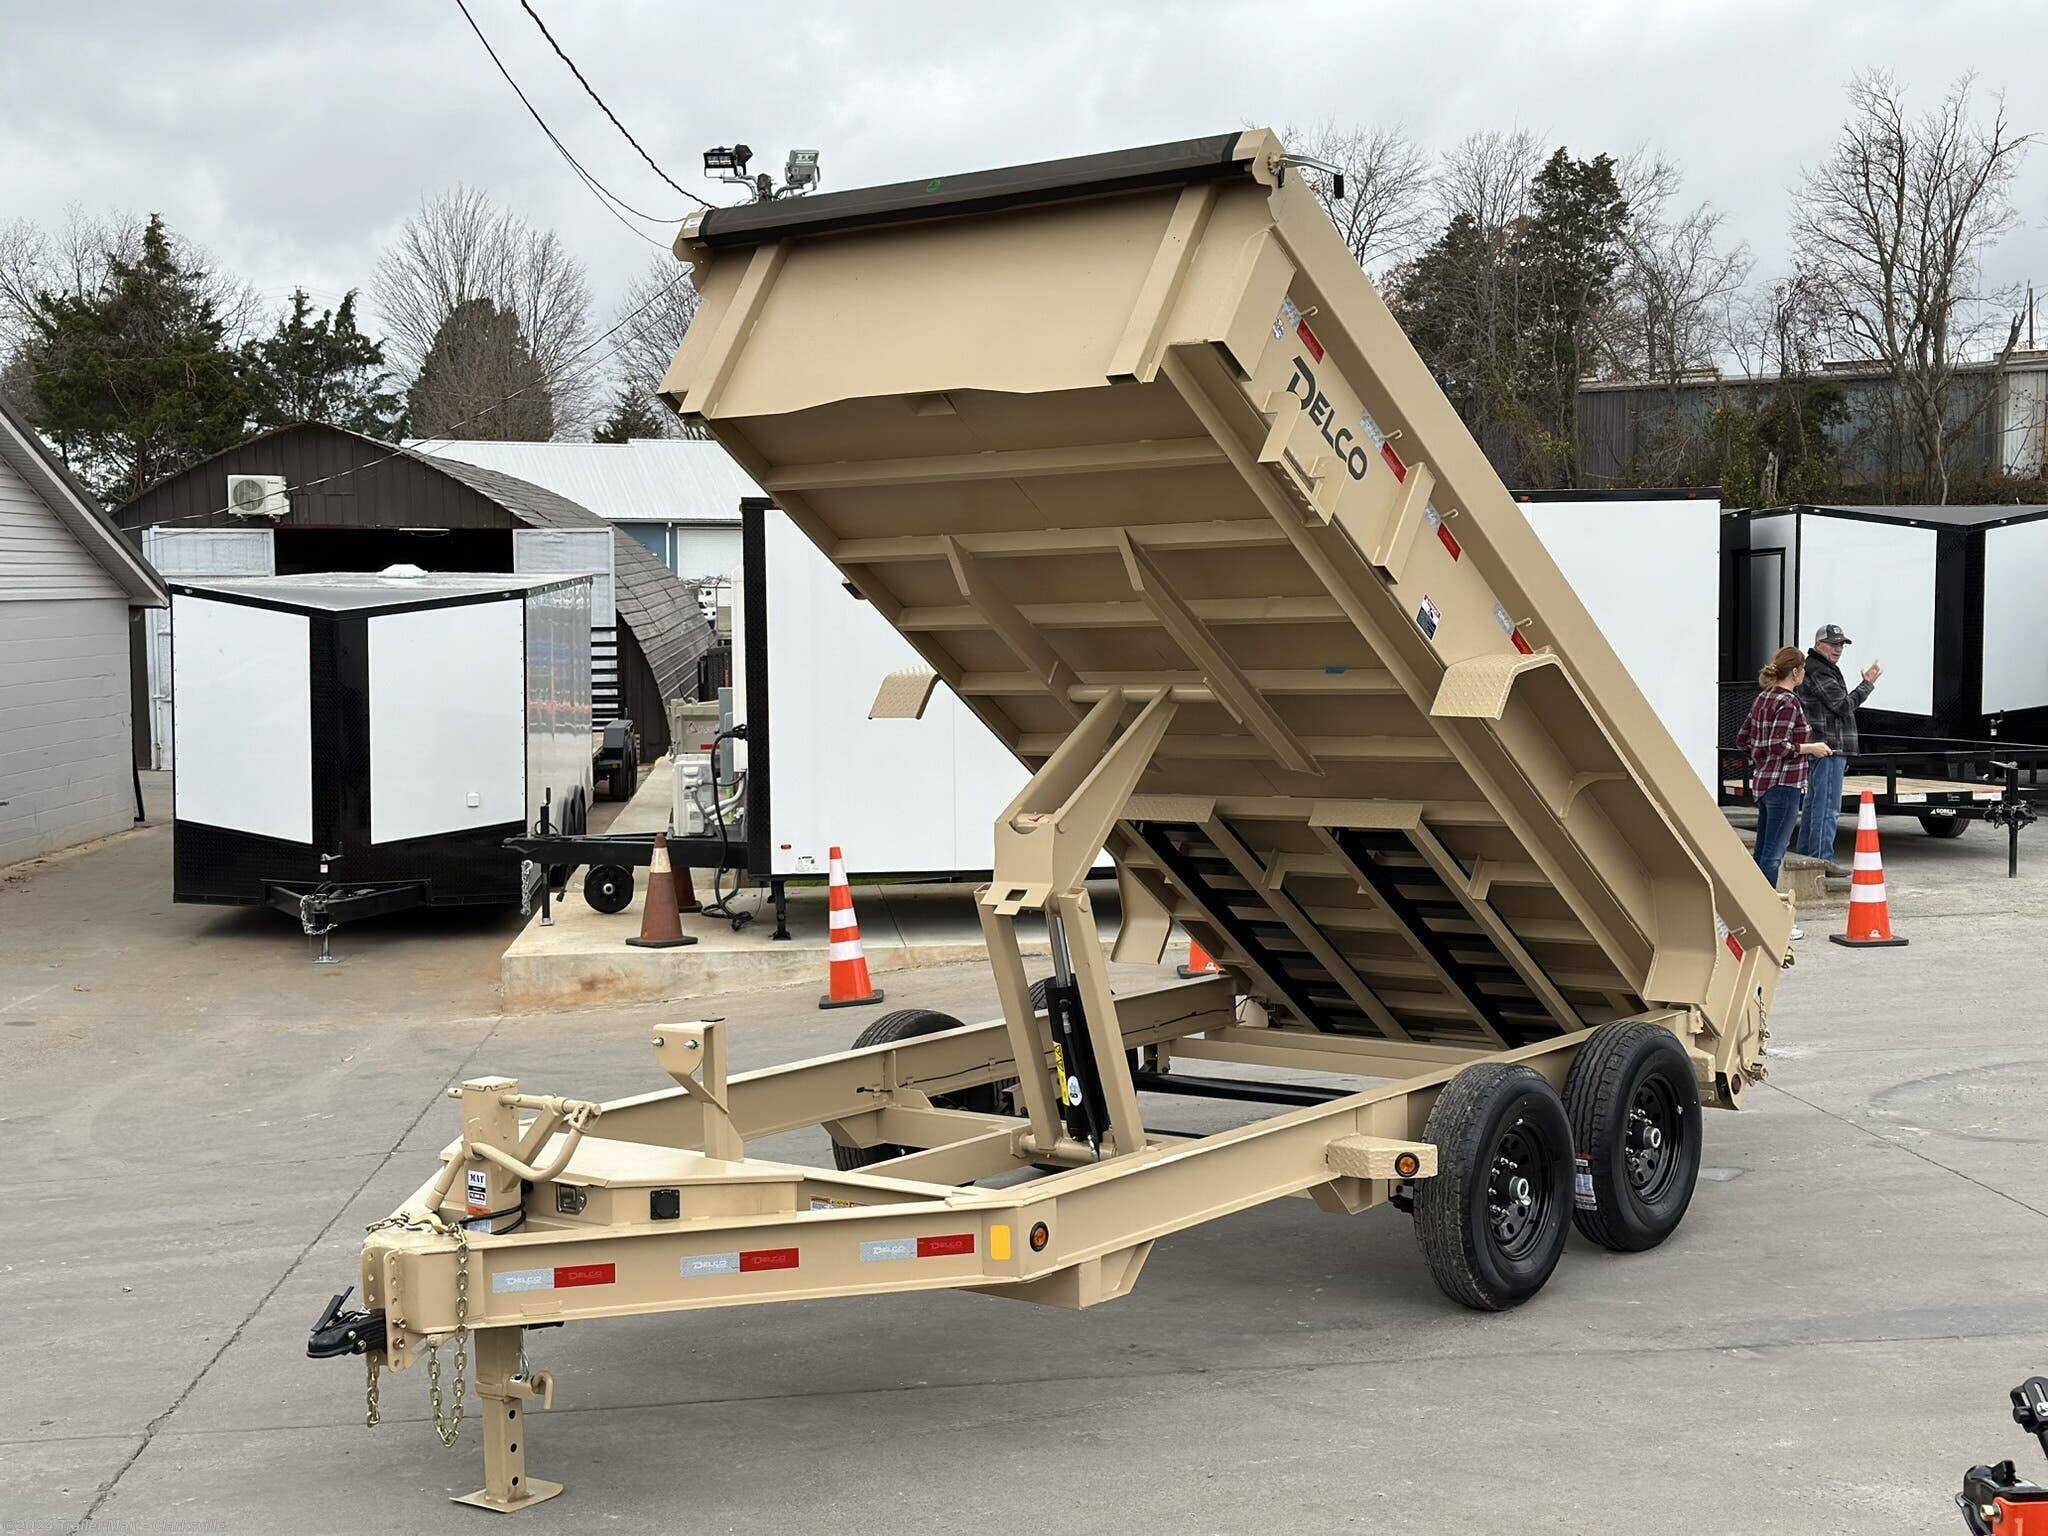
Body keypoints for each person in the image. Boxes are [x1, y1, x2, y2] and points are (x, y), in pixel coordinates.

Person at [1736, 644, 1835, 936]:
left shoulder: (1762, 699)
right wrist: (1811, 748)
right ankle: (1770, 920)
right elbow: (1779, 746)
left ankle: (1752, 913)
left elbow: (1743, 740)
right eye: (1803, 669)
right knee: (1772, 856)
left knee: (1762, 855)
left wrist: (1760, 756)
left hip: (1764, 784)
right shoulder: (1789, 702)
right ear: (1795, 671)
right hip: (1785, 784)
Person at [1795, 622, 1881, 876]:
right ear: (1818, 644)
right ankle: (1821, 862)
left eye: (1841, 644)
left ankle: (1806, 859)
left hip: (1824, 745)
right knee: (1827, 808)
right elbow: (1842, 706)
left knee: (1814, 805)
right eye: (1833, 644)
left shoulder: (1818, 668)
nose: (1838, 649)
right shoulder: (1820, 670)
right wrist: (1866, 685)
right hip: (1829, 746)